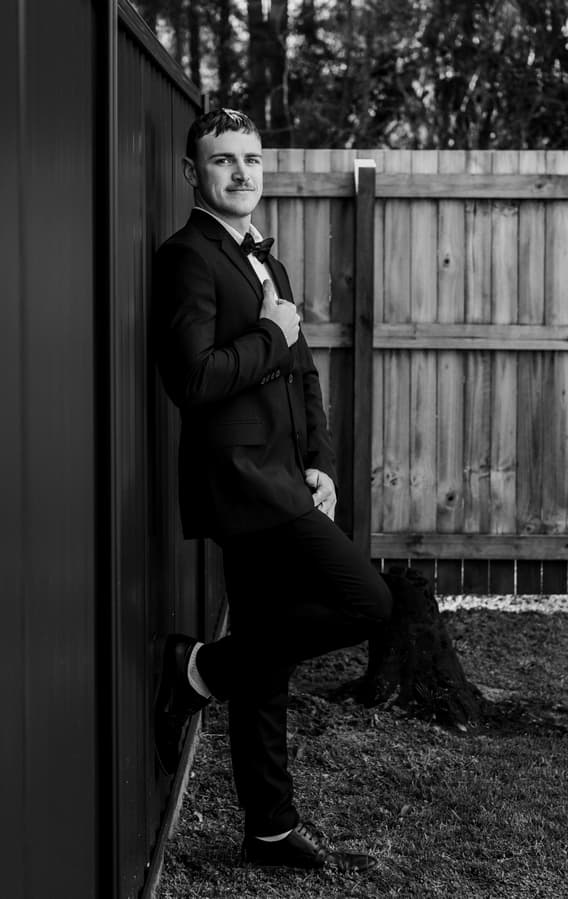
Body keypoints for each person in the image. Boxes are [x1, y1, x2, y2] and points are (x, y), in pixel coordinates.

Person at [152, 107, 392, 873]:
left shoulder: (268, 264)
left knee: (269, 651)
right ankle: (199, 670)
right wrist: (270, 334)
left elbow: (303, 372)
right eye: (223, 160)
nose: (241, 173)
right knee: (368, 601)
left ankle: (269, 826)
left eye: (251, 159)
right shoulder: (185, 257)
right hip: (240, 479)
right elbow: (193, 380)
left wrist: (319, 458)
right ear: (194, 173)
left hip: (284, 476)